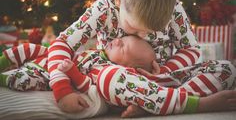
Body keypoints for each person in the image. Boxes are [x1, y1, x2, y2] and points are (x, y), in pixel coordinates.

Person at [46, 0, 236, 116]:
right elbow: (62, 43)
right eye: (136, 29)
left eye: (152, 31)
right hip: (125, 83)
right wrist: (62, 89)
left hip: (164, 78)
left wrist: (164, 70)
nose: (144, 36)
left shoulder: (173, 8)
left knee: (227, 69)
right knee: (110, 78)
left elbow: (191, 50)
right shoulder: (103, 9)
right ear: (120, 3)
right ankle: (192, 104)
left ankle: (153, 104)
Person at [0, 35, 156, 93]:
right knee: (28, 48)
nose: (116, 41)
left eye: (122, 47)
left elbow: (88, 86)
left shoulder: (106, 69)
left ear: (127, 67)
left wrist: (73, 72)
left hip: (45, 75)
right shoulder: (98, 52)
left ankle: (3, 78)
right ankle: (3, 62)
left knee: (23, 80)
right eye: (121, 39)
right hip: (49, 59)